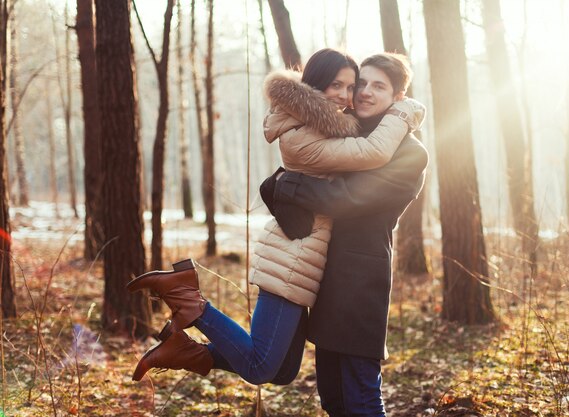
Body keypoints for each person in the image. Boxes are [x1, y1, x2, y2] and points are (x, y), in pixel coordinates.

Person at [126, 48, 425, 386]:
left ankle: (185, 351)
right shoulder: (308, 132)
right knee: (263, 367)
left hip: (306, 256)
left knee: (282, 370)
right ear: (314, 86)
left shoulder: (325, 123)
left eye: (349, 87)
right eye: (337, 86)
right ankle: (189, 301)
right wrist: (404, 110)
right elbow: (370, 154)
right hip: (293, 256)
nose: (347, 95)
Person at [263, 52, 429, 416]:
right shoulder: (343, 129)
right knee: (333, 398)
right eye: (361, 84)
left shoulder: (409, 152)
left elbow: (349, 199)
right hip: (324, 277)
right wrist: (278, 183)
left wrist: (286, 185)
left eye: (378, 87)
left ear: (398, 98)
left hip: (358, 284)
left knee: (361, 397)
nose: (364, 93)